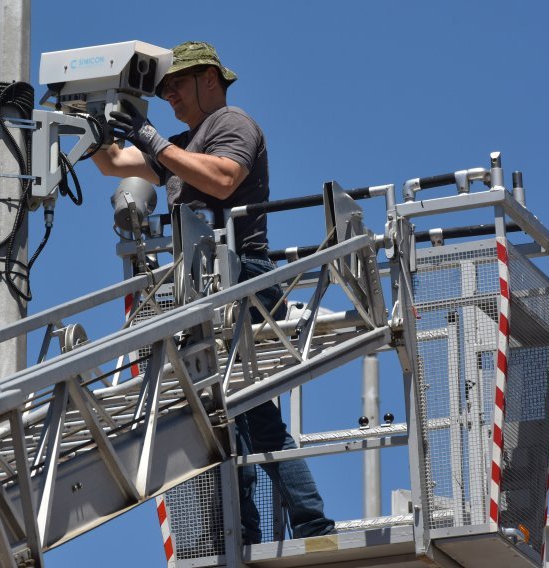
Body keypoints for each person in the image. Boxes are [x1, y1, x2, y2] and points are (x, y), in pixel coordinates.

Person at [93, 41, 334, 543]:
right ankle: (281, 524)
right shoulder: (182, 144)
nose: (170, 97)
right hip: (205, 288)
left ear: (209, 79)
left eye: (176, 85)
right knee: (240, 413)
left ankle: (273, 525)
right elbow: (114, 163)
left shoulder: (231, 124)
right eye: (164, 91)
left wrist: (157, 142)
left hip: (242, 277)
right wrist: (89, 121)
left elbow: (224, 179)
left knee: (235, 408)